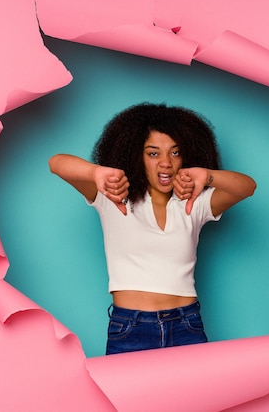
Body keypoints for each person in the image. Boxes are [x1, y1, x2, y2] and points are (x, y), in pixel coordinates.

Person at [49, 103, 256, 355]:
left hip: (186, 325)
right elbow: (56, 163)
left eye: (175, 153)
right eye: (153, 153)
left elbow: (247, 187)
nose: (166, 163)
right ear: (136, 156)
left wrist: (207, 176)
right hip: (130, 327)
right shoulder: (114, 198)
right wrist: (96, 173)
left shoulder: (193, 204)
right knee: (124, 395)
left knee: (198, 395)